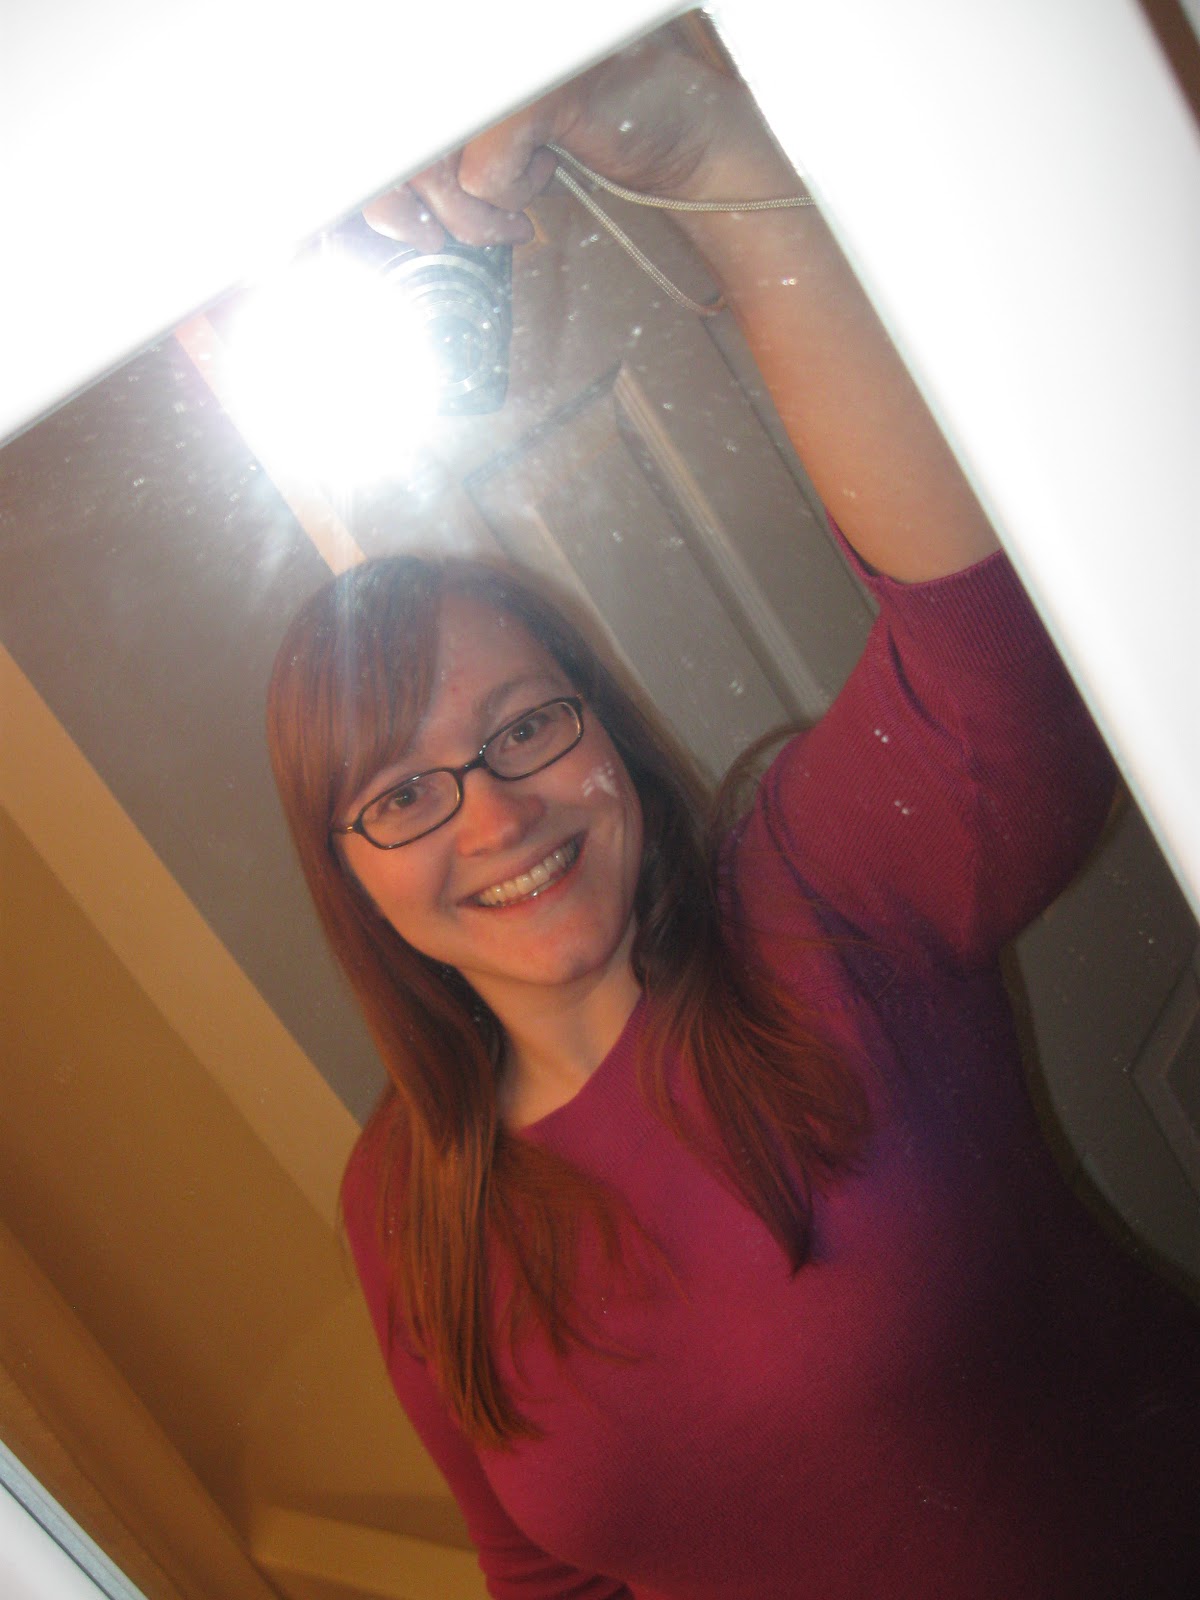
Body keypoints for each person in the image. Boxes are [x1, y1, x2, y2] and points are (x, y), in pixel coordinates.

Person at [267, 32, 1200, 1600]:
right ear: (348, 871)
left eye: (527, 726)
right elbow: (543, 1575)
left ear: (609, 735)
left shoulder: (816, 903)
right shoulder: (403, 1198)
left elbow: (999, 671)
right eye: (404, 793)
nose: (494, 818)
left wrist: (715, 161)